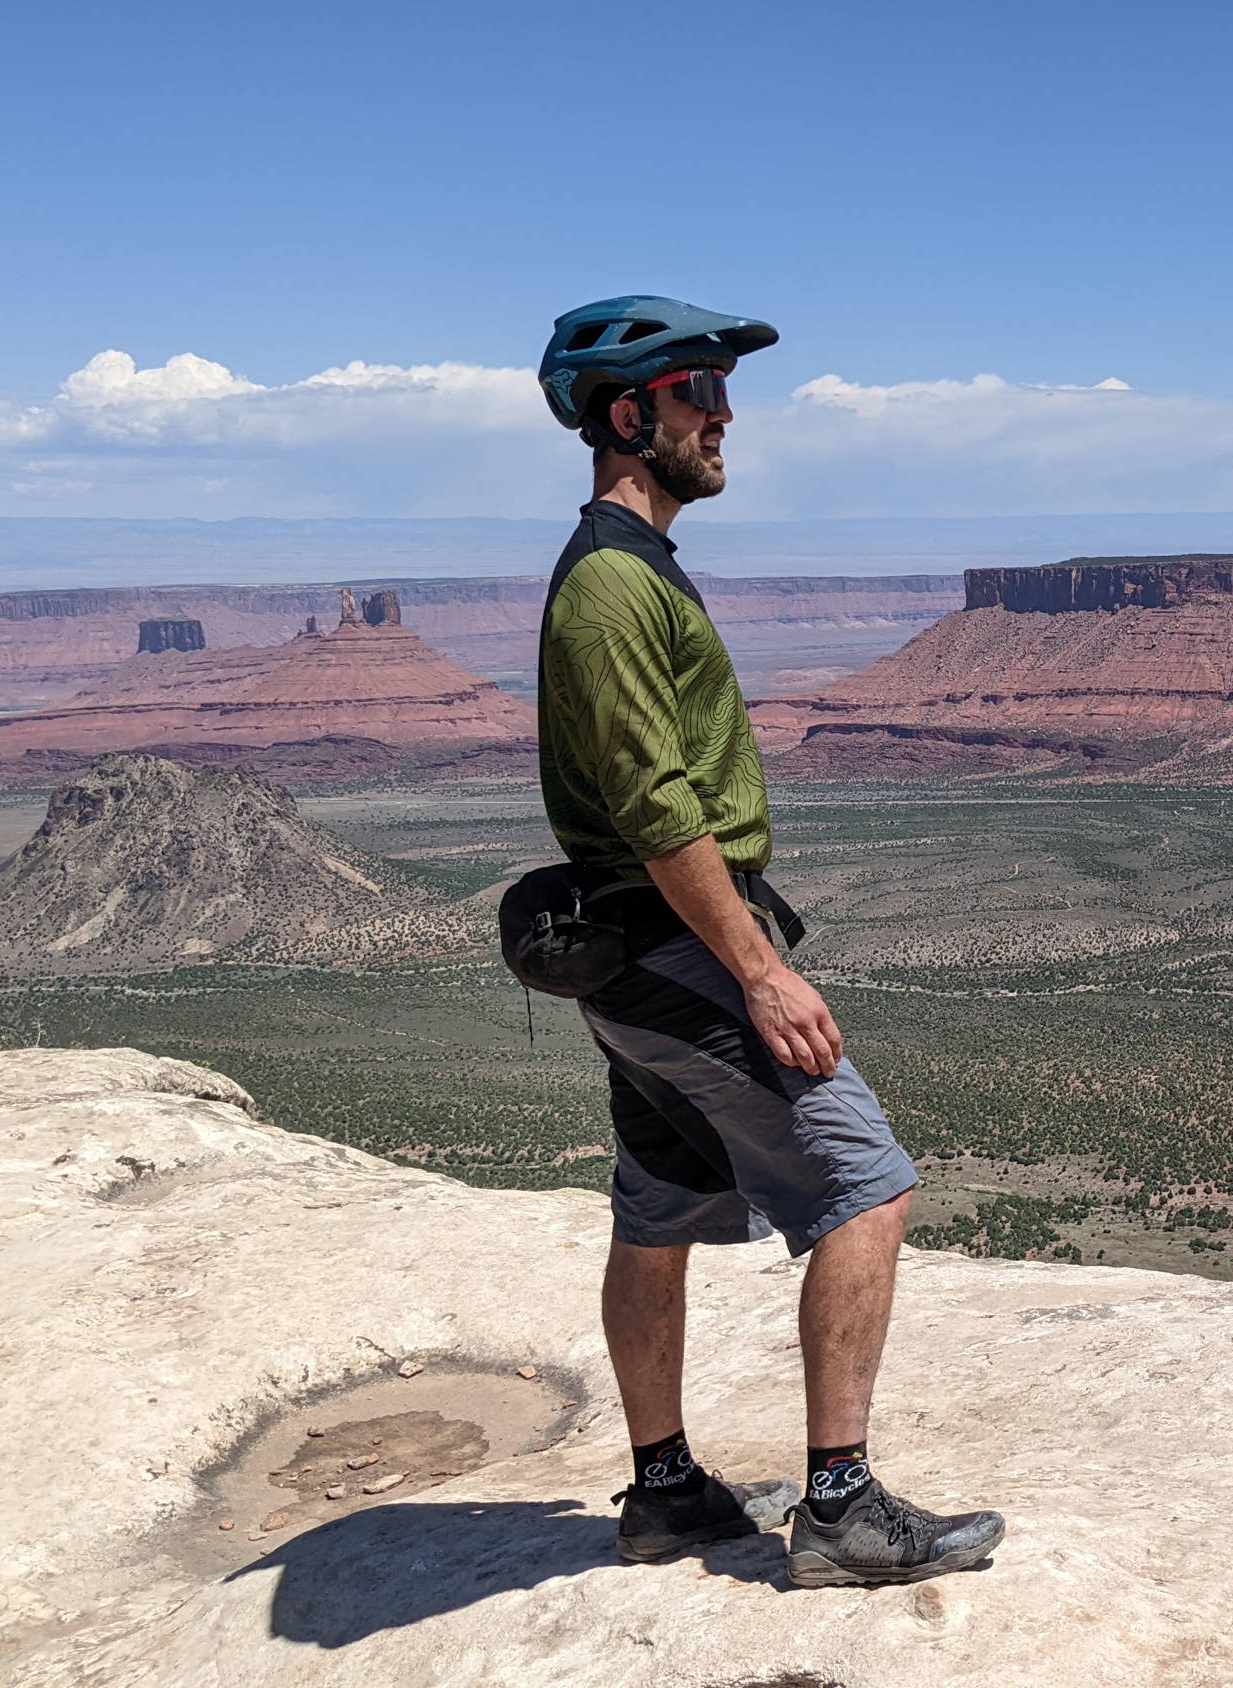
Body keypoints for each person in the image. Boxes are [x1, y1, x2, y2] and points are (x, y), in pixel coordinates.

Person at [531, 295, 1004, 1586]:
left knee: (660, 1211)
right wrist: (759, 968)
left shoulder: (628, 570)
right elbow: (656, 805)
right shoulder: (612, 590)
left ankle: (666, 1493)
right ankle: (843, 1511)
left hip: (629, 958)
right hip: (678, 953)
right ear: (628, 415)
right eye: (697, 394)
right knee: (867, 1186)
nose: (724, 419)